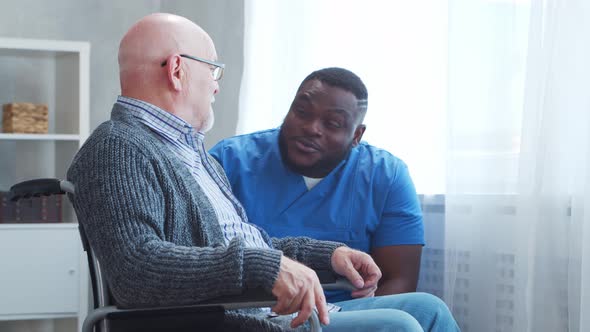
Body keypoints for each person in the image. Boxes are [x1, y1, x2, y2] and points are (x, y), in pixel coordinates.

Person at [67, 13, 459, 332]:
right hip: (231, 322)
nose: (216, 86)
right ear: (177, 71)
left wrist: (329, 254)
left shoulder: (190, 153)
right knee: (400, 327)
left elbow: (247, 243)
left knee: (428, 309)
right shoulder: (118, 147)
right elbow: (137, 270)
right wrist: (266, 267)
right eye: (213, 71)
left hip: (263, 313)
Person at [210, 67, 424, 303]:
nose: (312, 128)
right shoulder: (229, 160)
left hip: (347, 313)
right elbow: (201, 250)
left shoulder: (387, 175)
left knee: (428, 307)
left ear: (356, 136)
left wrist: (364, 319)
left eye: (332, 123)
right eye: (301, 112)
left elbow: (400, 279)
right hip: (255, 310)